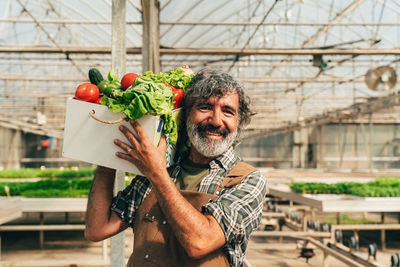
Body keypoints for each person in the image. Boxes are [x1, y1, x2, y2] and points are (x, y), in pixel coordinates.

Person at [84, 68, 267, 267]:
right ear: (186, 114)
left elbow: (199, 242)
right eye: (204, 107)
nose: (216, 121)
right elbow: (97, 229)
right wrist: (108, 152)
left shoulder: (247, 180)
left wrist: (157, 174)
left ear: (239, 122)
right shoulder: (160, 168)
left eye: (228, 111)